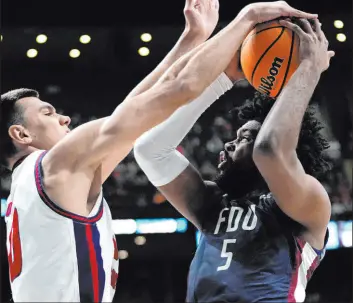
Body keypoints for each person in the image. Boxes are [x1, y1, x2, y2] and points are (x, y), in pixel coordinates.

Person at [1, 0, 316, 302]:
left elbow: (132, 109)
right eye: (48, 113)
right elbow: (179, 89)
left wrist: (192, 39)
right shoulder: (57, 165)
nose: (63, 117)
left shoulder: (44, 179)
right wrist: (245, 20)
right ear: (21, 133)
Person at [134, 17, 334, 302]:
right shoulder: (213, 203)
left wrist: (309, 69)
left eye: (243, 138)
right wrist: (224, 79)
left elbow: (271, 150)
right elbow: (150, 151)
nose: (228, 144)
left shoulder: (307, 201)